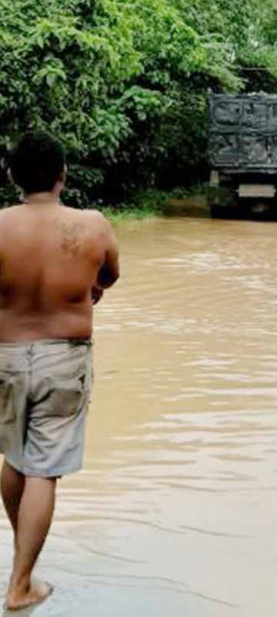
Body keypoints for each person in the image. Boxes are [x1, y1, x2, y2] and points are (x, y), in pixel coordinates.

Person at [0, 131, 119, 610]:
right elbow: (109, 275)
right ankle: (20, 583)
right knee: (43, 472)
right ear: (62, 176)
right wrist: (86, 287)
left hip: (4, 353)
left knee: (14, 458)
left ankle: (22, 559)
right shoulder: (91, 224)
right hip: (63, 357)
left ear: (11, 176)